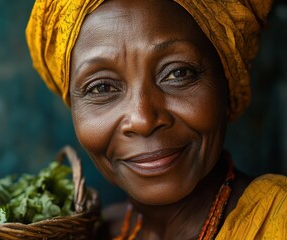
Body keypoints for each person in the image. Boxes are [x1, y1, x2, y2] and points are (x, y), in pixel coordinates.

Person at [26, 0, 287, 239]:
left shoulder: (276, 221)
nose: (143, 120)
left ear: (227, 83)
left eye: (178, 73)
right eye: (102, 88)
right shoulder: (95, 231)